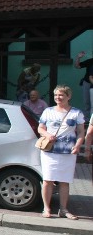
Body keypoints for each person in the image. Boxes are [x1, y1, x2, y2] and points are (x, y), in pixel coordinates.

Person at [37, 85, 84, 220]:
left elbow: (81, 132)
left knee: (64, 181)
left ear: (68, 96)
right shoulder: (48, 111)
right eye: (56, 95)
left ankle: (63, 209)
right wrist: (47, 134)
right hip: (49, 151)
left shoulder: (77, 113)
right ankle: (46, 208)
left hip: (68, 151)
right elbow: (40, 128)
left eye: (61, 95)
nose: (58, 97)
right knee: (48, 180)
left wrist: (78, 145)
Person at [74, 52, 93, 120]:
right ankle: (87, 120)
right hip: (87, 83)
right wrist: (78, 57)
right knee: (87, 102)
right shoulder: (90, 61)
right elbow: (77, 66)